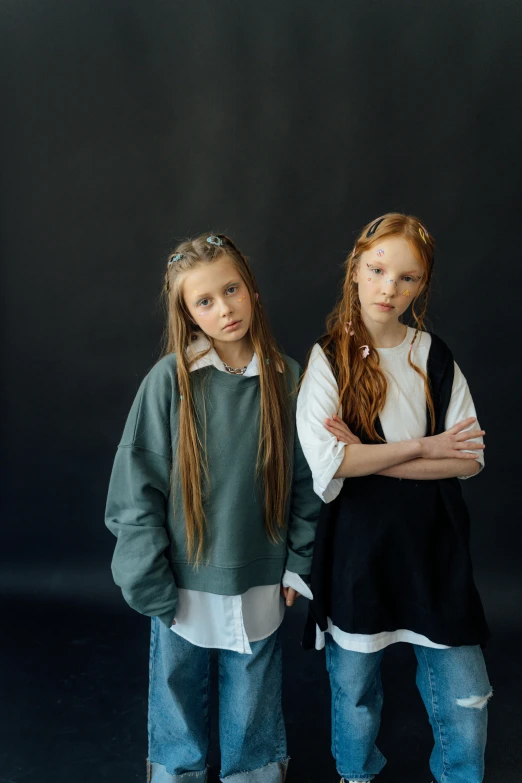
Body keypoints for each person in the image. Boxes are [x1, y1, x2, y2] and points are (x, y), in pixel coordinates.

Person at [105, 234, 320, 783]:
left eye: (231, 290)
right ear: (186, 313)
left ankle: (254, 775)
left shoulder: (288, 379)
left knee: (254, 698)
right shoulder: (168, 383)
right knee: (176, 694)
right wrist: (147, 580)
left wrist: (298, 560)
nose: (223, 309)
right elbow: (135, 491)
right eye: (205, 301)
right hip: (181, 580)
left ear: (251, 290)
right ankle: (175, 776)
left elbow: (307, 482)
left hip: (260, 575)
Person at [296, 214, 492, 783]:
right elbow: (333, 463)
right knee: (354, 689)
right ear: (355, 269)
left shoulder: (434, 356)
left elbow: (471, 458)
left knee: (468, 693)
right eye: (378, 270)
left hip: (436, 548)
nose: (389, 288)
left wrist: (378, 456)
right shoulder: (328, 357)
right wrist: (425, 446)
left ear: (422, 285)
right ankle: (357, 775)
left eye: (406, 278)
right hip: (360, 551)